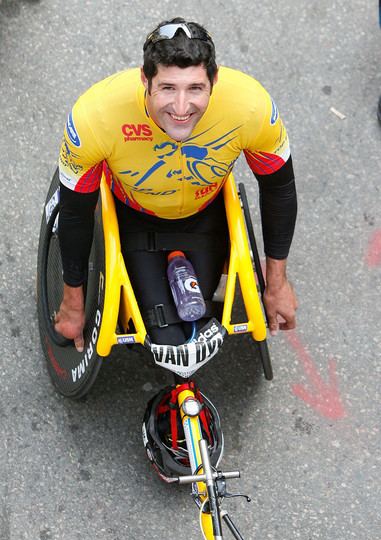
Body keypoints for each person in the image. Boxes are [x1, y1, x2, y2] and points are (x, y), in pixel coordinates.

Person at [54, 17, 298, 352]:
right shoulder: (96, 116)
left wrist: (277, 283)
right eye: (168, 88)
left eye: (195, 89)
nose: (181, 109)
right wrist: (72, 303)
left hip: (205, 216)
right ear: (145, 79)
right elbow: (75, 213)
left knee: (198, 330)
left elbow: (279, 189)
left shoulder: (250, 106)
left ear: (214, 79)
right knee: (163, 338)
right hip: (133, 218)